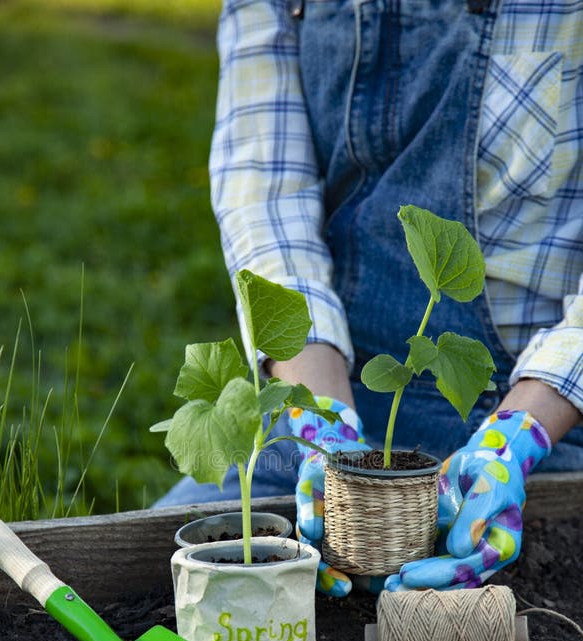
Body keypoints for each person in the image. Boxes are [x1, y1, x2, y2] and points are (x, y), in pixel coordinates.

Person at [157, 0, 582, 595]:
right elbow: (266, 194)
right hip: (329, 399)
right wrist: (320, 421)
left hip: (535, 424)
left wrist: (517, 438)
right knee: (165, 577)